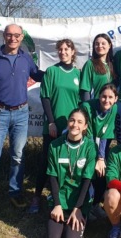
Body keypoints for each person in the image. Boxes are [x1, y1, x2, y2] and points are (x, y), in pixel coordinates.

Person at [0, 24, 44, 215]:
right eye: (9, 35)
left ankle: (15, 193)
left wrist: (57, 74)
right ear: (4, 36)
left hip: (21, 113)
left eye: (16, 35)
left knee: (18, 156)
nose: (12, 38)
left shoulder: (26, 58)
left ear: (22, 37)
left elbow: (36, 75)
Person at [28, 39, 81, 214]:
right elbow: (45, 98)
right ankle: (36, 196)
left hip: (72, 128)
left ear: (73, 52)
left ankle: (59, 197)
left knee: (68, 164)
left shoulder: (79, 74)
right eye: (60, 49)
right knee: (47, 161)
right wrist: (51, 122)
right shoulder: (51, 72)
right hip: (54, 126)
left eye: (66, 49)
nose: (63, 52)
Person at [46, 108, 97, 238]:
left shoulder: (90, 147)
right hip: (60, 199)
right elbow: (52, 177)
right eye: (72, 120)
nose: (75, 125)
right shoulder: (55, 145)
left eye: (80, 122)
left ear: (85, 126)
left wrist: (78, 208)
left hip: (79, 201)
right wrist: (57, 205)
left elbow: (87, 180)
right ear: (68, 122)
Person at [81, 83, 119, 220]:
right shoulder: (87, 107)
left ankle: (95, 205)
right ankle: (84, 207)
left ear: (116, 99)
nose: (106, 100)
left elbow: (106, 134)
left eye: (110, 97)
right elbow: (89, 136)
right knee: (90, 172)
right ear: (99, 96)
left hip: (99, 144)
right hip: (84, 143)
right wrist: (96, 159)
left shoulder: (114, 109)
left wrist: (101, 158)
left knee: (103, 172)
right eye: (104, 96)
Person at [80, 34, 115, 101]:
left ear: (109, 45)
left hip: (111, 106)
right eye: (97, 44)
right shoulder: (90, 64)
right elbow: (85, 90)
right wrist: (88, 107)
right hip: (96, 105)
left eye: (103, 43)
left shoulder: (112, 64)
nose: (100, 46)